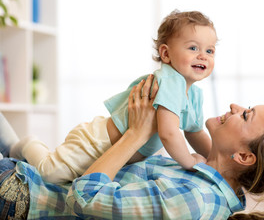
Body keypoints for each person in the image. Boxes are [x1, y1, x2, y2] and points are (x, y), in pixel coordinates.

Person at [0, 76, 264, 219]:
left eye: (246, 114)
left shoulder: (194, 199)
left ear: (243, 156)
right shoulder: (200, 170)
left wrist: (134, 135)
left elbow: (85, 197)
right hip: (25, 178)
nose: (235, 105)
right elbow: (189, 130)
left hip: (22, 196)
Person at [9, 10, 216, 184]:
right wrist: (189, 161)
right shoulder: (171, 80)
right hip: (97, 142)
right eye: (193, 48)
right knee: (50, 173)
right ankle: (27, 144)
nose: (203, 55)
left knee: (69, 182)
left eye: (210, 50)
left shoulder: (194, 95)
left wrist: (213, 161)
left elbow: (195, 132)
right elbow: (169, 133)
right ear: (166, 54)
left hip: (116, 154)